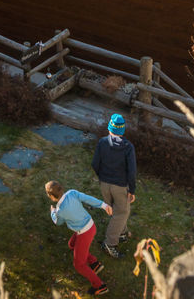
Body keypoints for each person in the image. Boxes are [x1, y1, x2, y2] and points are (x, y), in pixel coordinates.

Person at [46, 179, 112, 295]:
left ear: (51, 196)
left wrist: (52, 212)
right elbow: (87, 198)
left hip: (84, 233)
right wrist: (103, 205)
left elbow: (58, 222)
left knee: (79, 265)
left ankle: (100, 286)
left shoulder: (60, 210)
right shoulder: (72, 193)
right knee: (72, 244)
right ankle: (94, 264)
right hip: (91, 226)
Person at [92, 113, 137, 258]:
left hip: (104, 183)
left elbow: (95, 164)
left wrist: (102, 177)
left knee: (113, 208)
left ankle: (122, 233)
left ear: (109, 127)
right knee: (121, 212)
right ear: (122, 130)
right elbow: (132, 171)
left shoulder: (102, 142)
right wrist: (132, 189)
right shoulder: (128, 147)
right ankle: (110, 244)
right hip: (120, 185)